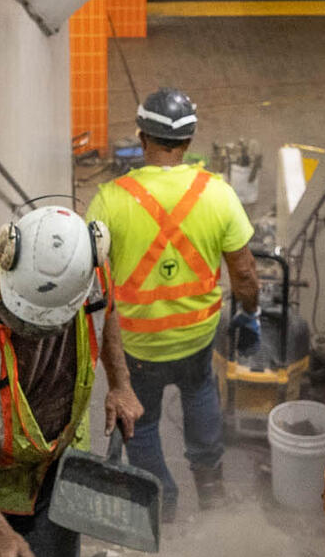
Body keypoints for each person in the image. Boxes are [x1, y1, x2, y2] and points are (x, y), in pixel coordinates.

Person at [0, 206, 141, 557]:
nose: (33, 331)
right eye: (24, 319)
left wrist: (121, 384)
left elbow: (106, 310)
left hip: (54, 464)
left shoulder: (90, 273)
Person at [83, 87, 261, 515]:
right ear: (189, 140)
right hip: (197, 338)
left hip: (137, 345)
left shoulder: (110, 199)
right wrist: (250, 313)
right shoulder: (217, 193)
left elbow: (88, 280)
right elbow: (245, 273)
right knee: (200, 393)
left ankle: (161, 500)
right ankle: (211, 488)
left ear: (142, 138)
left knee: (141, 423)